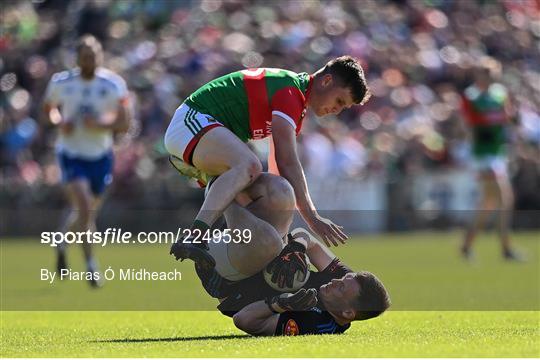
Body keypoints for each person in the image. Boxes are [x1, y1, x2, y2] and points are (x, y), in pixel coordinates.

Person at [164, 56, 371, 254]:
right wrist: (312, 217)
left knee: (276, 190)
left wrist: (279, 206)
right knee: (250, 165)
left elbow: (278, 167)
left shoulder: (296, 99)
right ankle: (196, 235)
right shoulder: (291, 92)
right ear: (326, 81)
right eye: (340, 101)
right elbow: (287, 161)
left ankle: (259, 253)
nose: (337, 110)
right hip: (191, 121)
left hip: (203, 133)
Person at [171, 173, 390, 336]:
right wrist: (298, 248)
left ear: (348, 312)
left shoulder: (315, 324)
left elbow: (243, 320)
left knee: (270, 242)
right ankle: (222, 184)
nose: (336, 281)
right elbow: (306, 237)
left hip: (226, 279)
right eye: (342, 279)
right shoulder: (346, 279)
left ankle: (218, 187)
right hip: (247, 243)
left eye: (341, 287)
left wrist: (281, 303)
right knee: (282, 192)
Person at [42, 34, 131, 286]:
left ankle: (61, 241)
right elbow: (49, 108)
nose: (89, 62)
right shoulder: (62, 81)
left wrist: (101, 124)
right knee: (84, 207)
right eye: (85, 58)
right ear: (78, 59)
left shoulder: (112, 84)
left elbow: (124, 122)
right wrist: (60, 122)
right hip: (71, 153)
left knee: (87, 211)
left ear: (99, 57)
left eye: (93, 57)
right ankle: (91, 266)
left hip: (100, 155)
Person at [460, 60, 522, 261]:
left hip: (497, 152)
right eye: (485, 74)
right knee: (504, 199)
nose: (489, 78)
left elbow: (508, 119)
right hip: (482, 154)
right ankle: (506, 248)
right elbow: (469, 126)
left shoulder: (499, 94)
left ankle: (467, 245)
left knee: (488, 203)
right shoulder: (471, 97)